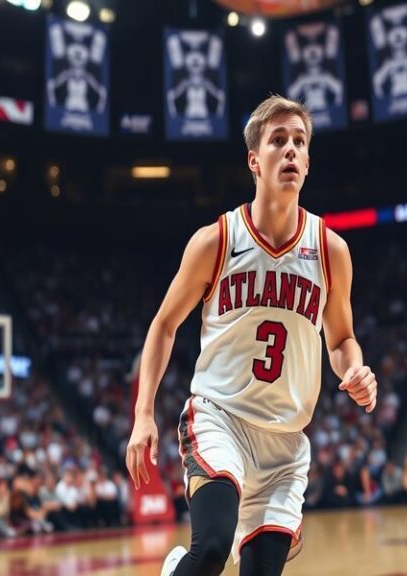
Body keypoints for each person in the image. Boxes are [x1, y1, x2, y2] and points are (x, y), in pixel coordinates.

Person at [126, 94, 378, 576]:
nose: (291, 150)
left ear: (308, 161)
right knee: (212, 548)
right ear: (254, 161)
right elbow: (163, 324)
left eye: (299, 141)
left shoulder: (330, 250)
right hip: (220, 418)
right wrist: (143, 415)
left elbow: (341, 340)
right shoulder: (216, 240)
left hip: (285, 443)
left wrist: (356, 370)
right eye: (278, 140)